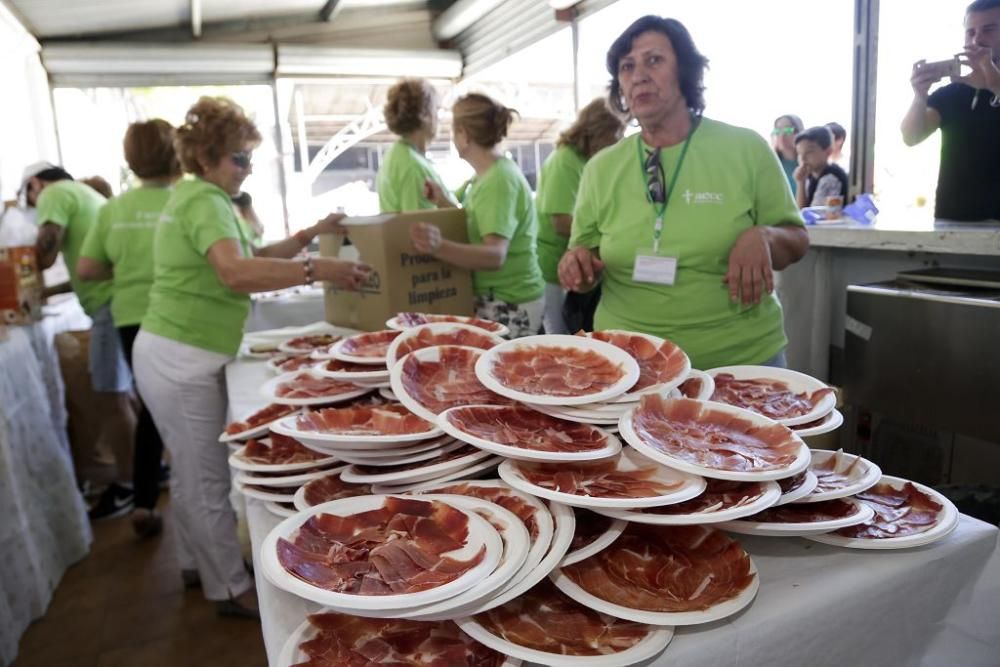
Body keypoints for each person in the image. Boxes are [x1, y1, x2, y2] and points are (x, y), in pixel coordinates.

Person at [131, 96, 370, 616]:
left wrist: (308, 238)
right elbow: (235, 273)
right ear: (207, 157)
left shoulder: (205, 198)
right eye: (239, 158)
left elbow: (252, 257)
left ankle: (197, 565)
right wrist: (319, 270)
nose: (247, 168)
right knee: (205, 478)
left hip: (181, 352)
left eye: (249, 158)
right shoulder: (204, 201)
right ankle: (229, 589)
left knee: (195, 474)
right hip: (180, 356)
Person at [558, 15, 808, 370]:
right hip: (629, 366)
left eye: (654, 60)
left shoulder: (745, 149)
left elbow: (797, 240)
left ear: (686, 72)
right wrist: (577, 266)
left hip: (738, 362)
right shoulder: (602, 167)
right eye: (627, 67)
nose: (638, 75)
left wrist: (763, 236)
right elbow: (585, 259)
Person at [77, 120, 182, 538]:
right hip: (178, 313)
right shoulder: (186, 202)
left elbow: (87, 268)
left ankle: (142, 501)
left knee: (152, 408)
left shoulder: (112, 209)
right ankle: (190, 498)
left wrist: (124, 269)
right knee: (189, 412)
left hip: (129, 316)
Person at [25, 161, 139, 520]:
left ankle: (127, 486)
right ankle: (146, 471)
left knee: (111, 395)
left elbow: (44, 252)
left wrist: (21, 263)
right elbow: (82, 269)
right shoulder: (82, 192)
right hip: (118, 299)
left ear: (36, 184)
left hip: (108, 304)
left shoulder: (54, 193)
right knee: (125, 394)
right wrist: (52, 290)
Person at [410, 93, 545, 337]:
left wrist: (438, 247)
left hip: (510, 303)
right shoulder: (487, 176)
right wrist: (442, 200)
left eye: (453, 130)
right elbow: (477, 222)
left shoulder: (499, 181)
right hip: (501, 300)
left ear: (463, 134)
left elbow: (494, 255)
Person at [901, 0, 1000, 221]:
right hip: (954, 222)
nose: (977, 40)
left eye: (989, 29)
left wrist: (995, 84)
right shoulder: (953, 92)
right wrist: (919, 96)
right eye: (970, 32)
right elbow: (911, 136)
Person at [536, 98, 625, 334]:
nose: (619, 140)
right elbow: (560, 221)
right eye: (617, 132)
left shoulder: (587, 160)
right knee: (560, 332)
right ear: (598, 129)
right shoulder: (565, 160)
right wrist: (608, 233)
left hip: (575, 264)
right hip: (555, 264)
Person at [377, 78, 454, 212]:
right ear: (425, 115)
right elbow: (418, 223)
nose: (439, 118)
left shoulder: (396, 155)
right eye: (436, 110)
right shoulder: (413, 166)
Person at [793, 126, 849, 210]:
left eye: (809, 152)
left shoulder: (831, 178)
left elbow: (807, 214)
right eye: (799, 153)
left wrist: (801, 182)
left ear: (828, 152)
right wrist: (801, 182)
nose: (803, 158)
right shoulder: (811, 176)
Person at [772, 113, 804, 193]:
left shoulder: (808, 163)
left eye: (788, 130)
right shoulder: (771, 163)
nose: (782, 136)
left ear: (799, 132)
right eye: (778, 131)